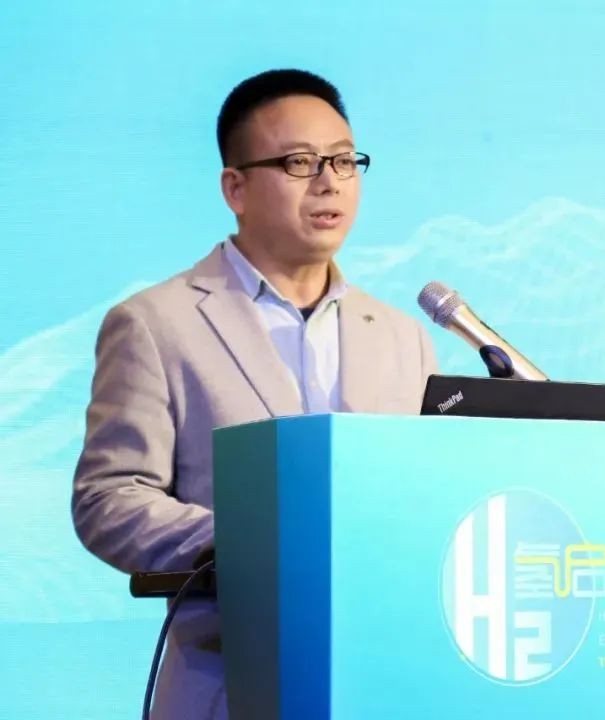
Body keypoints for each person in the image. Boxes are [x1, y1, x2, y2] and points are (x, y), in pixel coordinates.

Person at [71, 68, 437, 720]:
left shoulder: (401, 336)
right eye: (299, 162)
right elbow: (109, 497)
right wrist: (252, 539)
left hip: (384, 681)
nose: (329, 182)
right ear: (234, 188)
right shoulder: (156, 324)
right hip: (228, 683)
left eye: (344, 160)